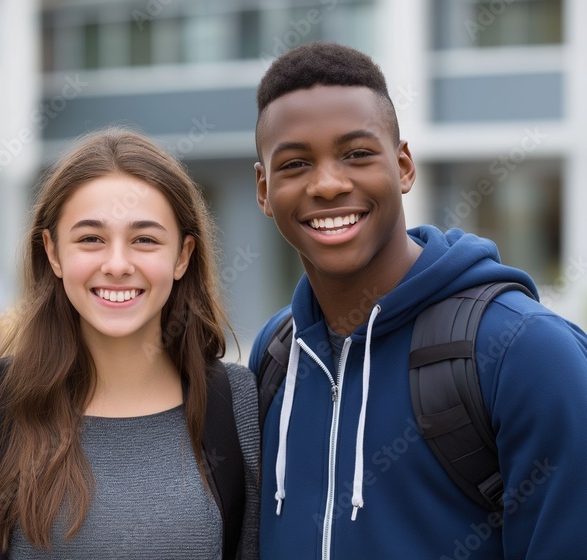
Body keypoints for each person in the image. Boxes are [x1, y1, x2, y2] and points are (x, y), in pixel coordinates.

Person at [248, 41, 587, 558]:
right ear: (263, 190)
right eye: (294, 164)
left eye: (357, 154)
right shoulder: (275, 355)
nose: (329, 184)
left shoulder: (527, 350)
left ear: (404, 166)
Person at [0, 127, 260, 559]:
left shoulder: (235, 402)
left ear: (182, 255)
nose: (117, 264)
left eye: (144, 239)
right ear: (52, 252)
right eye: (90, 239)